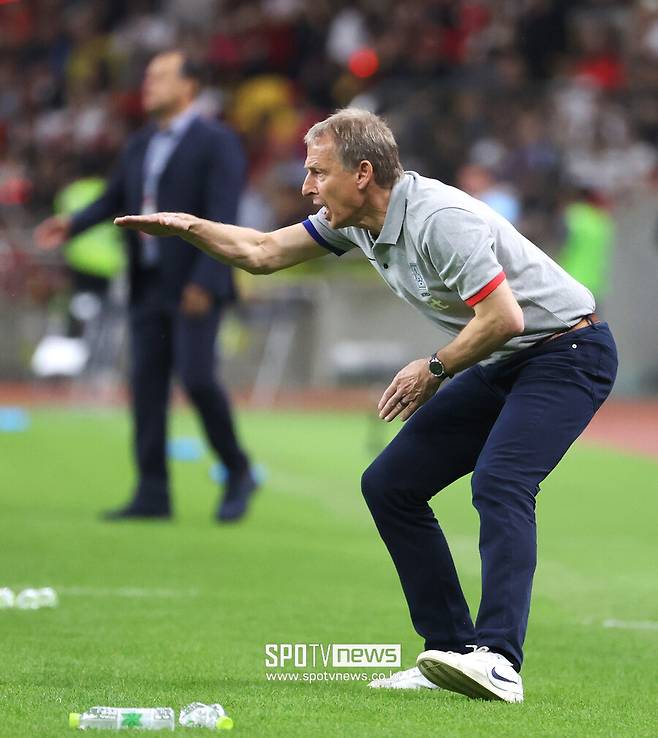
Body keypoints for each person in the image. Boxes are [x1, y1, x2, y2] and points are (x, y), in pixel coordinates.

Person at [114, 109, 618, 702]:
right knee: (390, 486)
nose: (306, 187)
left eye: (316, 172)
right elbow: (262, 252)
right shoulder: (354, 220)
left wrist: (434, 368)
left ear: (362, 173)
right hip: (502, 359)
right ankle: (449, 651)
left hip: (567, 351)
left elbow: (504, 318)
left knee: (501, 482)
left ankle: (499, 660)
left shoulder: (440, 219)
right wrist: (189, 227)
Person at [36, 50, 258, 522]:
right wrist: (71, 224)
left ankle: (237, 470)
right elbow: (116, 198)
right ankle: (153, 492)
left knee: (197, 379)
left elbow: (225, 213)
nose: (148, 85)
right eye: (148, 76)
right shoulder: (140, 144)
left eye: (160, 77)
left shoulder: (217, 141)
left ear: (190, 86)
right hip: (148, 283)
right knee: (147, 386)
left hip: (195, 283)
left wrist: (208, 277)